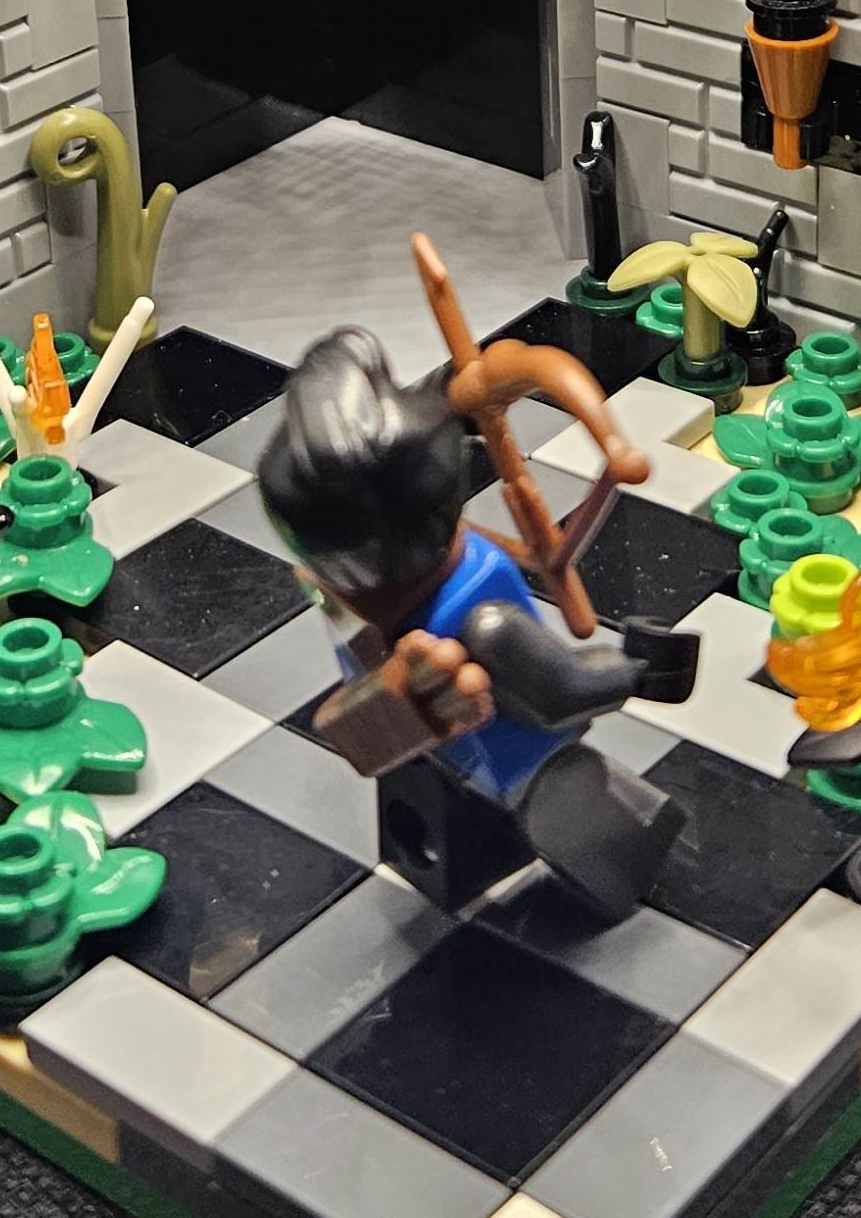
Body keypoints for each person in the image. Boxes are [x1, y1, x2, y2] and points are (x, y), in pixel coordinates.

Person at [259, 325, 699, 922]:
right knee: (616, 828)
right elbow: (561, 692)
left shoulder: (343, 592)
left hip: (436, 762)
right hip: (526, 771)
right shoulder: (481, 621)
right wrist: (638, 670)